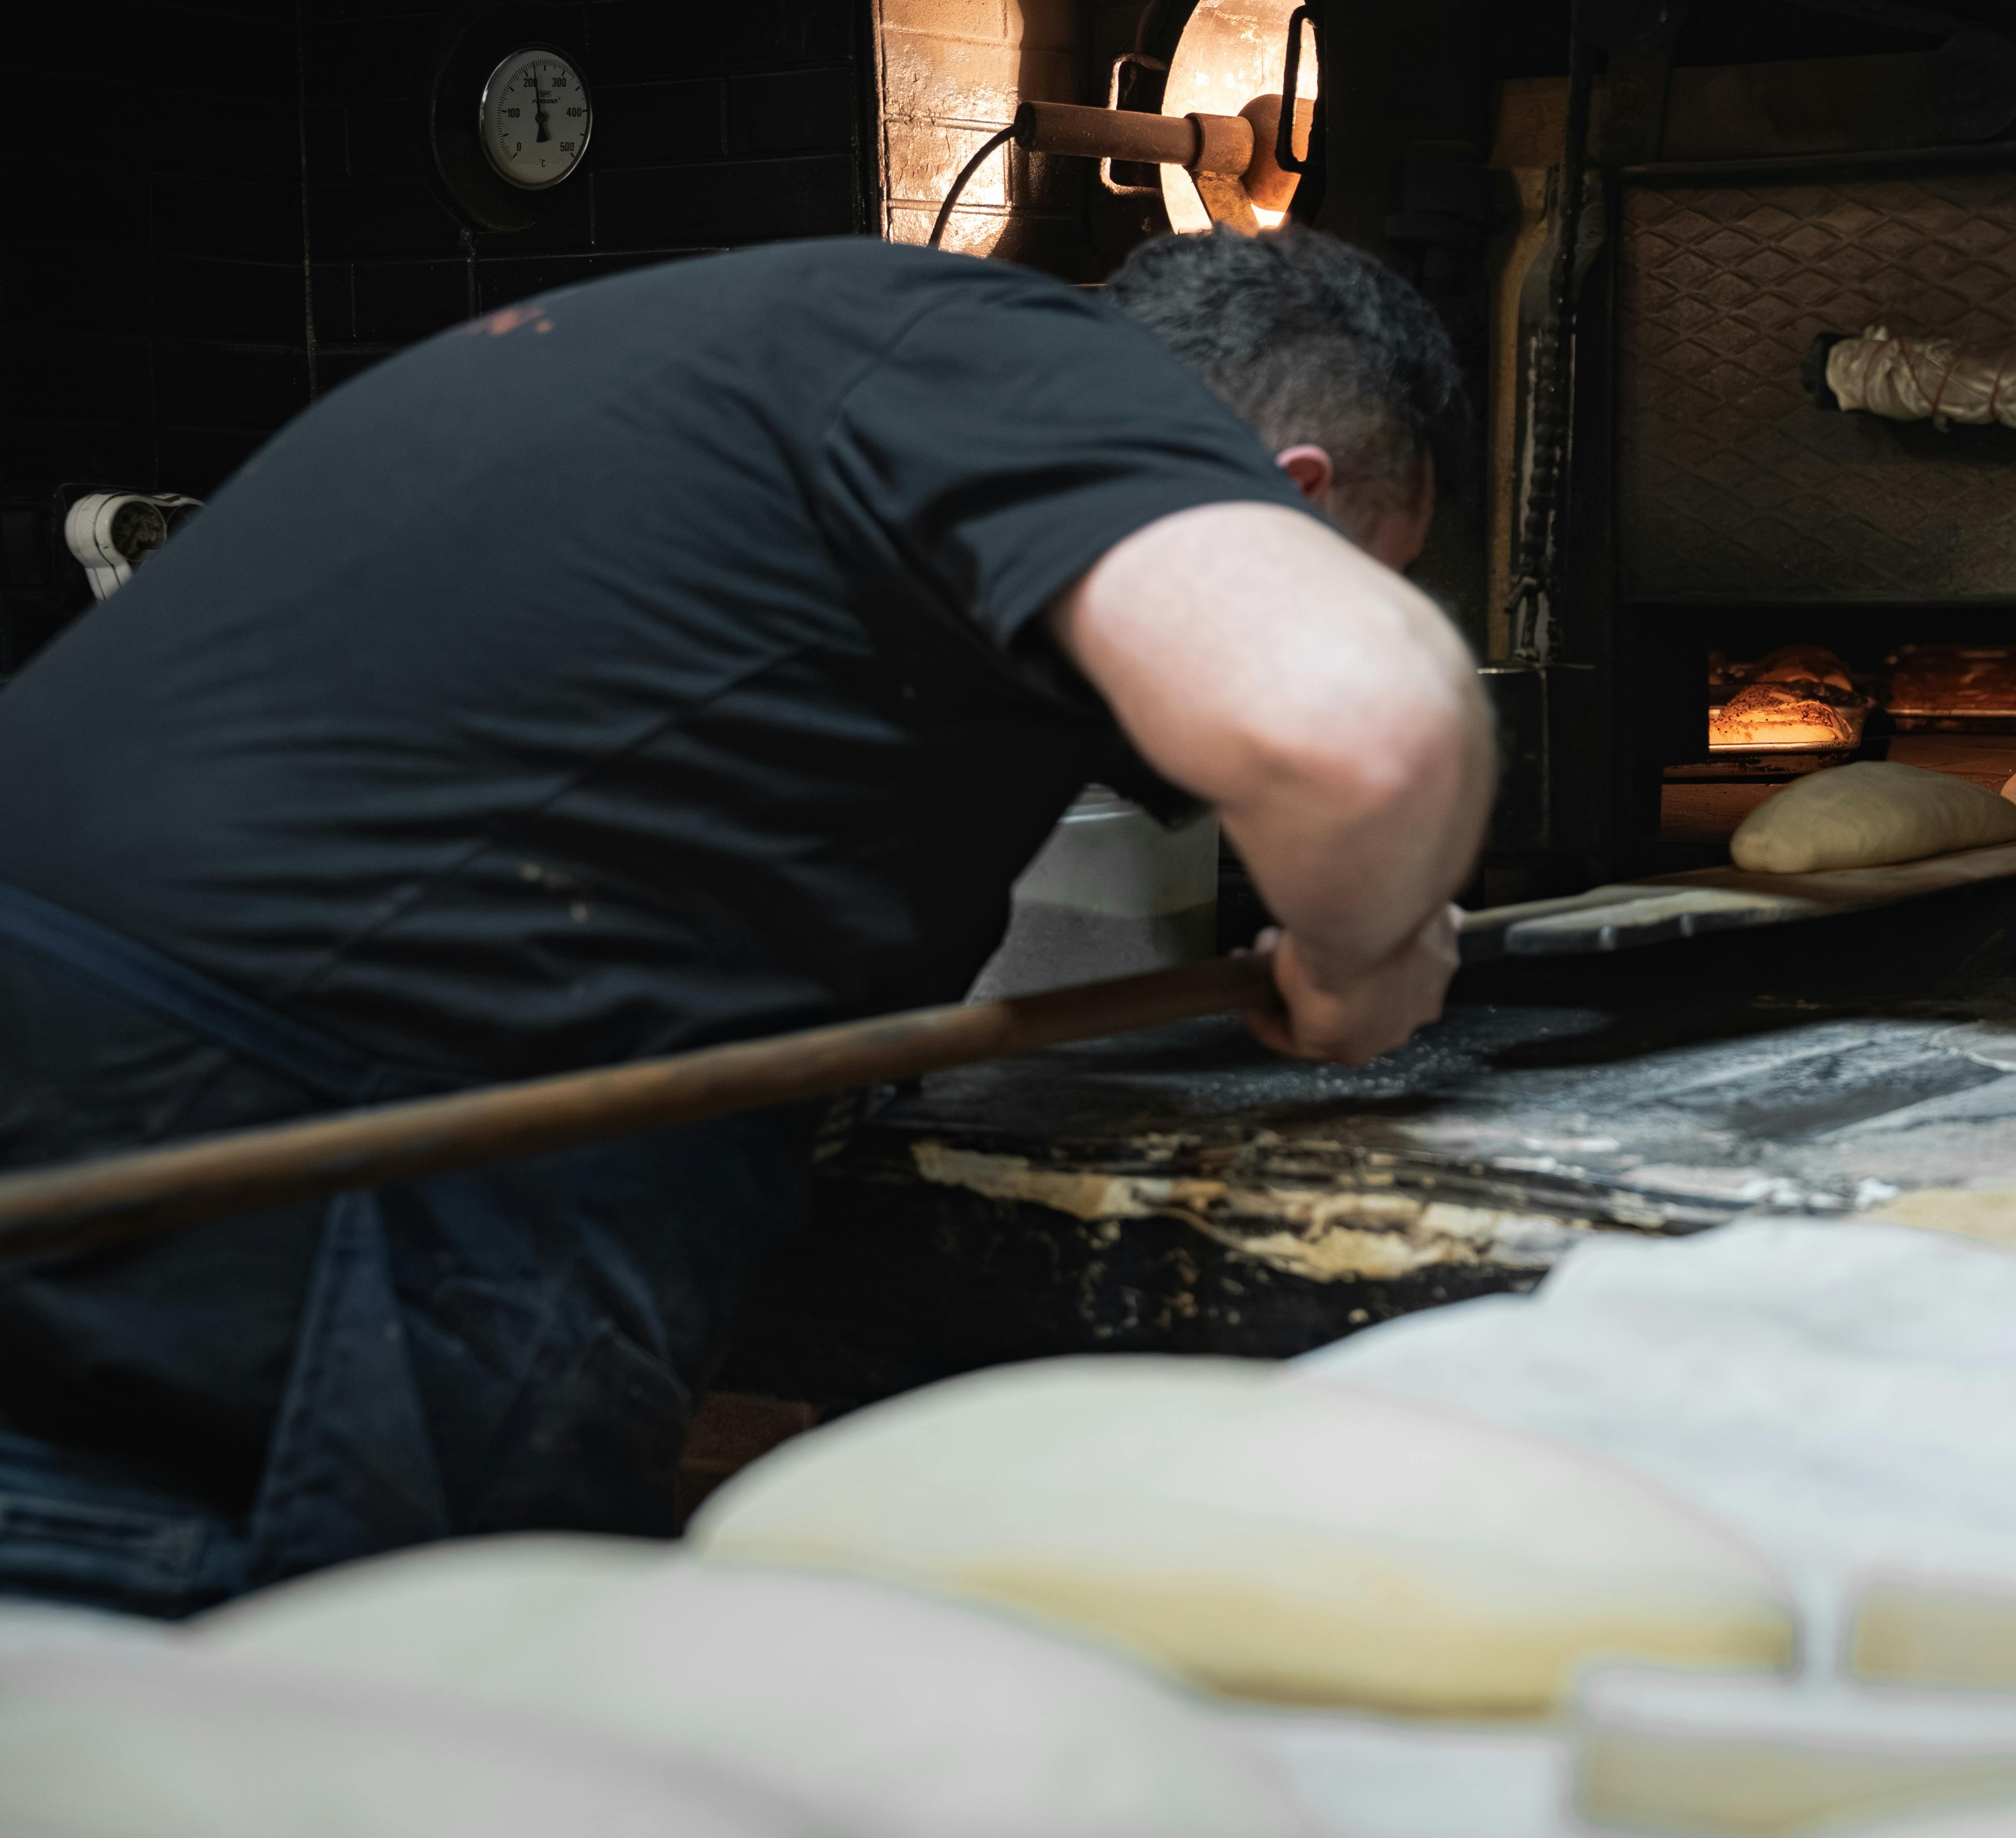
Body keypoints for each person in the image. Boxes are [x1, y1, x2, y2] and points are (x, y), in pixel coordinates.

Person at [0, 227, 1492, 1616]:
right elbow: (1357, 734)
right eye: (1367, 574)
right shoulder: (1057, 386)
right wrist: (1362, 948)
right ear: (1282, 500)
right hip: (281, 1166)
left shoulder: (823, 342)